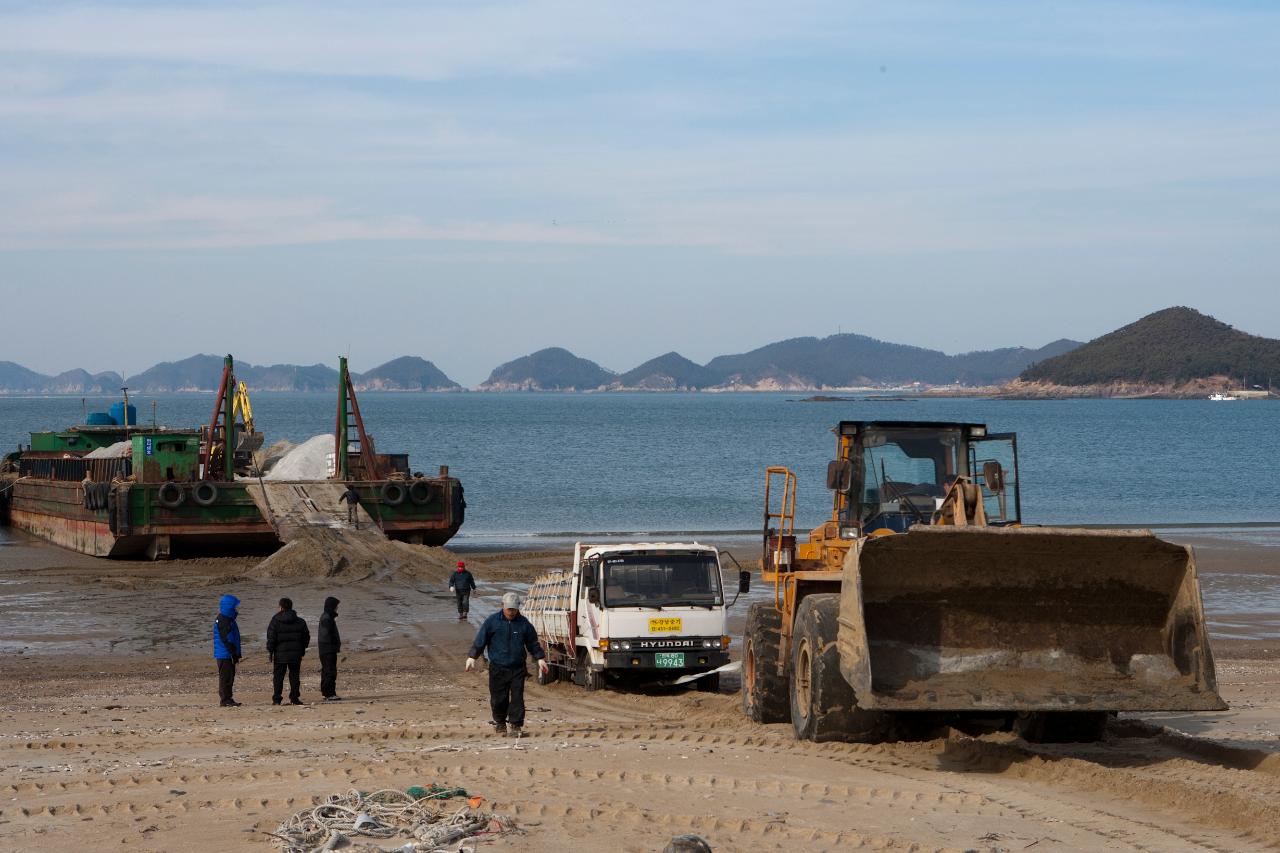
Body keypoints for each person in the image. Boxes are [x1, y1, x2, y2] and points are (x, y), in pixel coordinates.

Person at [466, 591, 548, 738]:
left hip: (517, 668)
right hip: (498, 667)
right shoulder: (492, 622)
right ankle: (500, 723)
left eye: (514, 609)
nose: (511, 612)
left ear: (518, 608)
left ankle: (516, 725)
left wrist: (540, 658)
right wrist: (472, 657)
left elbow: (532, 643)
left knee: (517, 698)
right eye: (509, 608)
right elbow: (481, 640)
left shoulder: (524, 624)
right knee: (498, 698)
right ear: (502, 606)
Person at [266, 597, 310, 705]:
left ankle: (277, 699)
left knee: (278, 677)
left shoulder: (275, 620)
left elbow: (271, 638)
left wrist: (270, 651)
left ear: (281, 607)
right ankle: (294, 698)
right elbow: (306, 637)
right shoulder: (300, 621)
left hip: (280, 654)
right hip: (295, 654)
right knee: (294, 676)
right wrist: (302, 649)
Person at [212, 594, 242, 707]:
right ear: (229, 606)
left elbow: (232, 638)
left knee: (229, 677)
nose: (236, 609)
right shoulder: (224, 620)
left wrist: (235, 654)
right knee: (226, 677)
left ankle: (228, 698)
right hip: (225, 655)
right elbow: (227, 639)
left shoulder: (228, 619)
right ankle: (225, 700)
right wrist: (233, 654)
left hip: (226, 654)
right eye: (235, 606)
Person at [317, 596, 342, 701]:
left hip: (326, 648)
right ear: (332, 606)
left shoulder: (327, 617)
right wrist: (334, 644)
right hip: (327, 649)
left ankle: (326, 692)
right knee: (330, 671)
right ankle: (329, 694)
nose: (337, 608)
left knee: (327, 671)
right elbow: (326, 634)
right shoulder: (327, 618)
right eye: (336, 606)